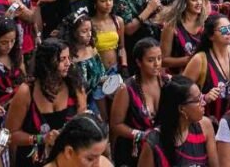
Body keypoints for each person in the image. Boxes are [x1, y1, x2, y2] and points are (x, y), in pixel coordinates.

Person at [5, 38, 86, 167]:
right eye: (62, 59)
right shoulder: (26, 91)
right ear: (47, 63)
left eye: (68, 58)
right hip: (32, 160)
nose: (68, 63)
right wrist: (42, 139)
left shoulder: (74, 86)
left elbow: (82, 122)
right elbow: (9, 135)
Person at [137, 75, 218, 167]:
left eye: (201, 97)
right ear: (181, 109)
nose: (203, 103)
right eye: (197, 100)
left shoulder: (205, 126)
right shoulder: (153, 142)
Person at [110, 38, 166, 167]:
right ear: (139, 62)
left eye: (159, 58)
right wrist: (141, 135)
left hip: (162, 150)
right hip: (133, 152)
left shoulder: (167, 82)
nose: (157, 64)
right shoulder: (126, 89)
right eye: (151, 60)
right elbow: (116, 125)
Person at [183, 13, 230, 124]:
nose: (229, 32)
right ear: (211, 36)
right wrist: (203, 98)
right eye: (223, 29)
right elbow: (180, 92)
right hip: (208, 124)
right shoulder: (200, 60)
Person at [159, 0, 206, 75]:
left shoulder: (206, 24)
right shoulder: (171, 26)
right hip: (179, 79)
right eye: (194, 0)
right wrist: (190, 60)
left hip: (202, 75)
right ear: (184, 2)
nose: (199, 3)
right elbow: (163, 60)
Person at [41, 113, 113, 167]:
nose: (97, 165)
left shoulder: (104, 164)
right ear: (69, 152)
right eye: (90, 159)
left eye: (100, 155)